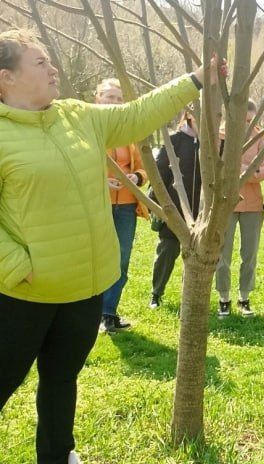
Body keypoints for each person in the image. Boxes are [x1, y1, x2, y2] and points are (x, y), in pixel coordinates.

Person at [0, 29, 218, 464]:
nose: (53, 69)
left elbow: (137, 114)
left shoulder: (77, 116)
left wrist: (196, 79)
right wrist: (18, 267)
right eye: (40, 63)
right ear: (7, 78)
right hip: (24, 292)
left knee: (62, 377)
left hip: (84, 285)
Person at [94, 78, 148, 334]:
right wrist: (101, 182)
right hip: (97, 205)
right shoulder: (89, 129)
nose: (114, 102)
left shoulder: (129, 133)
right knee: (97, 259)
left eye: (118, 98)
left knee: (121, 259)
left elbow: (143, 168)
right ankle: (91, 312)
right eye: (109, 97)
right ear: (97, 98)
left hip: (126, 207)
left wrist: (136, 177)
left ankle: (108, 312)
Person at [214, 100, 264, 317]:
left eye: (251, 120)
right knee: (223, 253)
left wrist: (245, 172)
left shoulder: (259, 136)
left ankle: (244, 297)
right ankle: (224, 297)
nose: (247, 124)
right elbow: (218, 168)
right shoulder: (220, 136)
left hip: (253, 205)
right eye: (244, 120)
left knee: (249, 254)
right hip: (226, 203)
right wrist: (249, 170)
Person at [149, 111, 201, 309]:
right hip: (175, 210)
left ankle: (190, 297)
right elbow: (159, 173)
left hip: (201, 213)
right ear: (189, 115)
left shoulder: (212, 144)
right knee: (167, 250)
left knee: (197, 256)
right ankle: (156, 293)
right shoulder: (174, 140)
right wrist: (158, 204)